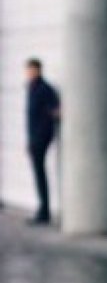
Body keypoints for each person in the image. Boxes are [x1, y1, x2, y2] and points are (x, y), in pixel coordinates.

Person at [24, 58, 60, 225]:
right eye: (28, 70)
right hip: (34, 137)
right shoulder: (31, 88)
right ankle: (43, 209)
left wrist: (43, 132)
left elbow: (55, 110)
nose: (29, 73)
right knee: (38, 173)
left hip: (42, 136)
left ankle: (44, 211)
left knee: (40, 173)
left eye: (32, 70)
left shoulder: (45, 89)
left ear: (39, 70)